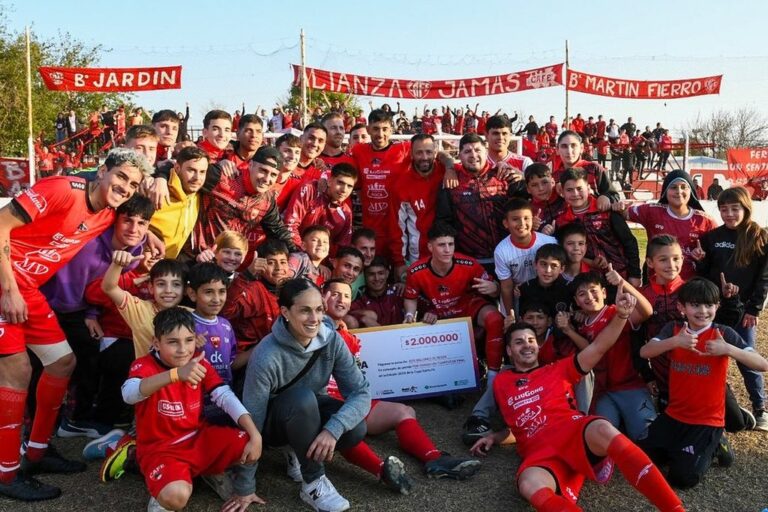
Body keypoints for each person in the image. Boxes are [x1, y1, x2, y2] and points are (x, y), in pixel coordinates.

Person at [0, 148, 150, 501]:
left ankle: (36, 453)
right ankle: (6, 474)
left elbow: (133, 228)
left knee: (62, 362)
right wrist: (8, 289)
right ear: (102, 170)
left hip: (28, 288)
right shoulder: (62, 190)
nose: (125, 187)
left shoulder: (107, 213)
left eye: (133, 184)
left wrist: (150, 237)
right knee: (17, 370)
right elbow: (1, 224)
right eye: (121, 177)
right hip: (6, 283)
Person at [470, 287, 686, 512]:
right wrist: (494, 437)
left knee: (603, 427)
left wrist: (621, 316)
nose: (527, 345)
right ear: (509, 350)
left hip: (573, 432)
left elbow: (599, 347)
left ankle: (675, 509)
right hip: (538, 450)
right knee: (528, 484)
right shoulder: (502, 382)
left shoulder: (558, 368)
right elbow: (519, 426)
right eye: (519, 342)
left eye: (531, 340)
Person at [227, 279, 371, 512]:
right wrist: (245, 486)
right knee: (302, 399)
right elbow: (252, 419)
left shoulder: (331, 339)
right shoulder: (267, 354)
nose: (314, 319)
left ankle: (298, 448)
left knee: (356, 427)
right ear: (285, 312)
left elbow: (361, 392)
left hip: (309, 409)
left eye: (318, 309)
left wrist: (332, 431)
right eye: (304, 310)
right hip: (273, 421)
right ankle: (313, 482)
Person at [323, 279, 480, 484]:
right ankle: (382, 471)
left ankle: (434, 459)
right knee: (345, 431)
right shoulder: (314, 328)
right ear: (323, 297)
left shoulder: (347, 334)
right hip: (326, 402)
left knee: (404, 411)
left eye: (345, 295)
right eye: (334, 294)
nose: (341, 299)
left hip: (353, 399)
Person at [122, 307, 261, 512]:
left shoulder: (198, 360)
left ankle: (203, 472)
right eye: (172, 342)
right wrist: (176, 374)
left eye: (188, 340)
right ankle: (160, 489)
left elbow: (224, 395)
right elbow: (129, 394)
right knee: (176, 497)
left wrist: (254, 433)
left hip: (197, 438)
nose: (183, 349)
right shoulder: (144, 365)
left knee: (248, 443)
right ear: (156, 343)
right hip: (160, 450)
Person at [639, 278, 768, 488]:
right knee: (644, 457)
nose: (702, 311)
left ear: (717, 306)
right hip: (674, 414)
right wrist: (675, 342)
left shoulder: (724, 334)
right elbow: (645, 352)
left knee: (681, 479)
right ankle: (686, 447)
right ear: (682, 307)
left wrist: (728, 349)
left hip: (706, 421)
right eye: (695, 305)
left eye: (709, 305)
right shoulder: (674, 329)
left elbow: (762, 364)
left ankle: (716, 444)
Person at [694, 186, 768, 430]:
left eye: (734, 208)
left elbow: (764, 277)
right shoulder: (712, 237)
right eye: (724, 209)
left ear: (746, 208)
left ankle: (760, 408)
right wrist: (699, 261)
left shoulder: (759, 236)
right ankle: (718, 405)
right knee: (712, 358)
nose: (729, 214)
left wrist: (754, 309)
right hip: (714, 311)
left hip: (743, 310)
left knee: (747, 359)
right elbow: (704, 275)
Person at [436, 133, 525, 266]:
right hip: (469, 262)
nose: (473, 155)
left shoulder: (504, 175)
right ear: (459, 156)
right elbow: (443, 221)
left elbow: (528, 202)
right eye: (467, 151)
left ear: (486, 152)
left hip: (508, 257)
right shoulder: (451, 182)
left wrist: (523, 176)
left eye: (478, 150)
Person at [622, 169, 716, 281]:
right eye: (673, 187)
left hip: (690, 288)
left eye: (683, 187)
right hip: (656, 284)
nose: (679, 191)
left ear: (691, 190)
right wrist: (619, 206)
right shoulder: (651, 211)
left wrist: (702, 257)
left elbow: (718, 252)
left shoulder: (705, 220)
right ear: (665, 191)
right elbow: (623, 213)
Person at [557, 168, 641, 287]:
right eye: (569, 190)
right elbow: (565, 253)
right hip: (588, 284)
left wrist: (635, 274)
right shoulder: (562, 221)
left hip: (620, 276)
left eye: (579, 189)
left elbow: (629, 242)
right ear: (562, 192)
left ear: (588, 188)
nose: (575, 194)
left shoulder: (606, 210)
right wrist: (590, 262)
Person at [390, 133, 447, 278]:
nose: (424, 157)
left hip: (448, 252)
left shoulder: (446, 172)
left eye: (428, 152)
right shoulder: (401, 185)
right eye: (419, 152)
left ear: (435, 152)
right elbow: (397, 228)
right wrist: (399, 262)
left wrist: (450, 165)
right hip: (418, 257)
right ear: (411, 154)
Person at [494, 198, 557, 313]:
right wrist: (510, 315)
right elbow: (507, 287)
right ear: (506, 223)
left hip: (547, 295)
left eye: (526, 218)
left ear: (533, 220)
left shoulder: (550, 242)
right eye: (515, 219)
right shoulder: (501, 251)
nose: (522, 224)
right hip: (519, 297)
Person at [283, 163, 357, 254]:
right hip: (294, 252)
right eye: (340, 183)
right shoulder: (309, 190)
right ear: (329, 181)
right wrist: (306, 257)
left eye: (349, 186)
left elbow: (342, 249)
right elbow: (290, 225)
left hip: (321, 264)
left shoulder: (346, 212)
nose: (344, 190)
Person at [348, 255, 404, 328]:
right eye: (371, 274)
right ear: (364, 275)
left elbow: (420, 304)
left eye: (380, 273)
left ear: (387, 273)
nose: (377, 278)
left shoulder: (398, 291)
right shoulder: (359, 299)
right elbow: (345, 316)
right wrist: (361, 317)